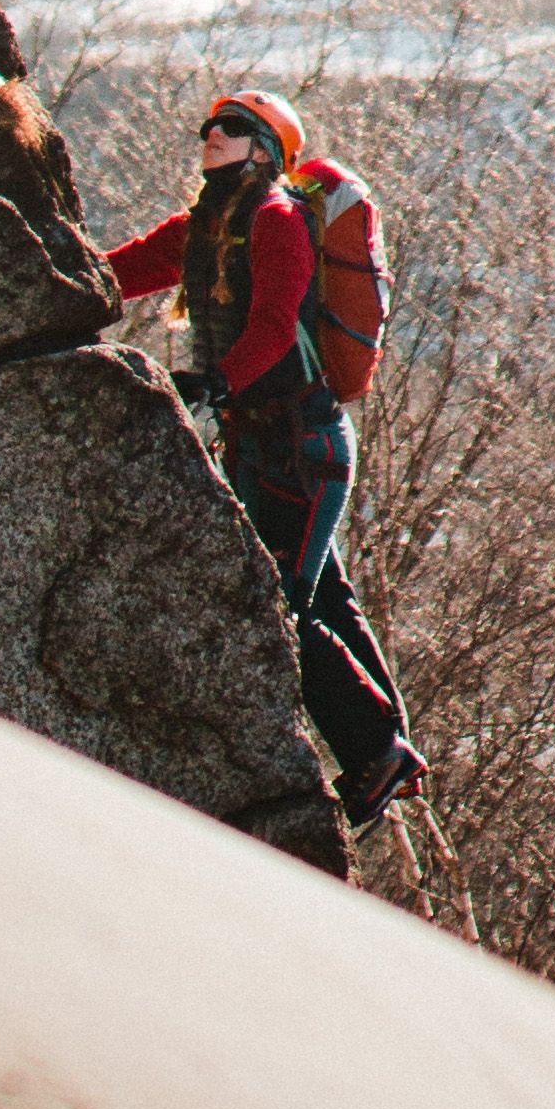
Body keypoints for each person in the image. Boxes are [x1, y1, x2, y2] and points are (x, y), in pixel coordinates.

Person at [100, 88, 422, 829]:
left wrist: (216, 382)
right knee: (324, 597)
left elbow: (277, 324)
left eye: (234, 128)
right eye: (211, 123)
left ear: (268, 151)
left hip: (302, 445)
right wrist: (64, 279)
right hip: (263, 442)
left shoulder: (276, 221)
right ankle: (386, 745)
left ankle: (377, 751)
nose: (213, 134)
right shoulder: (208, 225)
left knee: (279, 601)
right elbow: (128, 270)